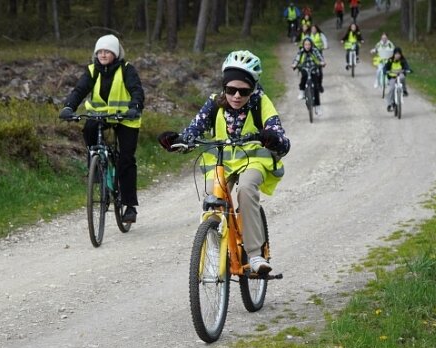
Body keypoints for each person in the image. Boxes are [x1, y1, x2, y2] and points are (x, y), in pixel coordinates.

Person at [158, 50, 290, 274]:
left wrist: (273, 139)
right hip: (221, 162)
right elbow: (194, 129)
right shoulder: (214, 103)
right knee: (213, 197)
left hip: (253, 160)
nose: (236, 96)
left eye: (244, 91)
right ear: (224, 88)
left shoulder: (261, 104)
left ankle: (255, 255)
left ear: (253, 89)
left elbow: (281, 139)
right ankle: (214, 251)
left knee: (246, 190)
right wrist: (178, 140)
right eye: (231, 90)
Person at [59, 34, 145, 223]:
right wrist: (68, 107)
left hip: (125, 117)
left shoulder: (127, 69)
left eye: (107, 51)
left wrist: (135, 107)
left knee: (126, 160)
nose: (103, 55)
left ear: (115, 53)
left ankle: (130, 206)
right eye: (100, 52)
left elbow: (136, 90)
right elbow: (79, 91)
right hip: (101, 116)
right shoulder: (92, 70)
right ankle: (98, 166)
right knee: (88, 130)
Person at [292, 37, 326, 116]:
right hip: (304, 68)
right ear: (303, 45)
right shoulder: (301, 52)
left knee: (316, 89)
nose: (307, 46)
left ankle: (318, 107)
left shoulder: (314, 51)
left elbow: (320, 57)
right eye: (305, 44)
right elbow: (296, 59)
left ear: (311, 45)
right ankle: (302, 91)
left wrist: (322, 62)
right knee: (303, 78)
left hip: (313, 69)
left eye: (309, 44)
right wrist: (294, 64)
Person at [383, 46, 412, 111]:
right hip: (392, 77)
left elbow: (407, 66)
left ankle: (404, 90)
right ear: (394, 54)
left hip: (400, 75)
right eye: (396, 54)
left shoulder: (403, 60)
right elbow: (385, 67)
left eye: (399, 54)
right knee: (392, 88)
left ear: (401, 54)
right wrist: (385, 71)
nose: (397, 55)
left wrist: (408, 70)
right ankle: (390, 104)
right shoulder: (390, 60)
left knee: (402, 78)